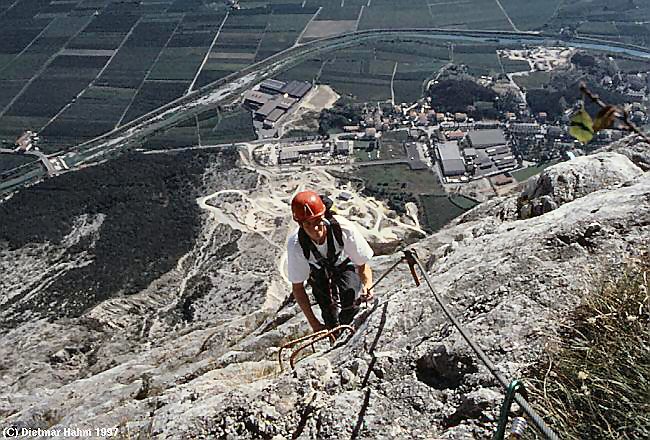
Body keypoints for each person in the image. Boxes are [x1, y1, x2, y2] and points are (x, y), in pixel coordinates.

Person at [287, 190, 374, 332]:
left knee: (351, 299)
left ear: (323, 215)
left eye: (317, 221)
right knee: (329, 314)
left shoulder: (342, 228)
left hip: (343, 264)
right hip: (318, 272)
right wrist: (314, 323)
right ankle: (335, 337)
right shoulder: (297, 244)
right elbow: (298, 288)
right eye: (307, 224)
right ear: (300, 224)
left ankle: (350, 330)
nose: (315, 229)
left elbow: (362, 264)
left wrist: (368, 285)